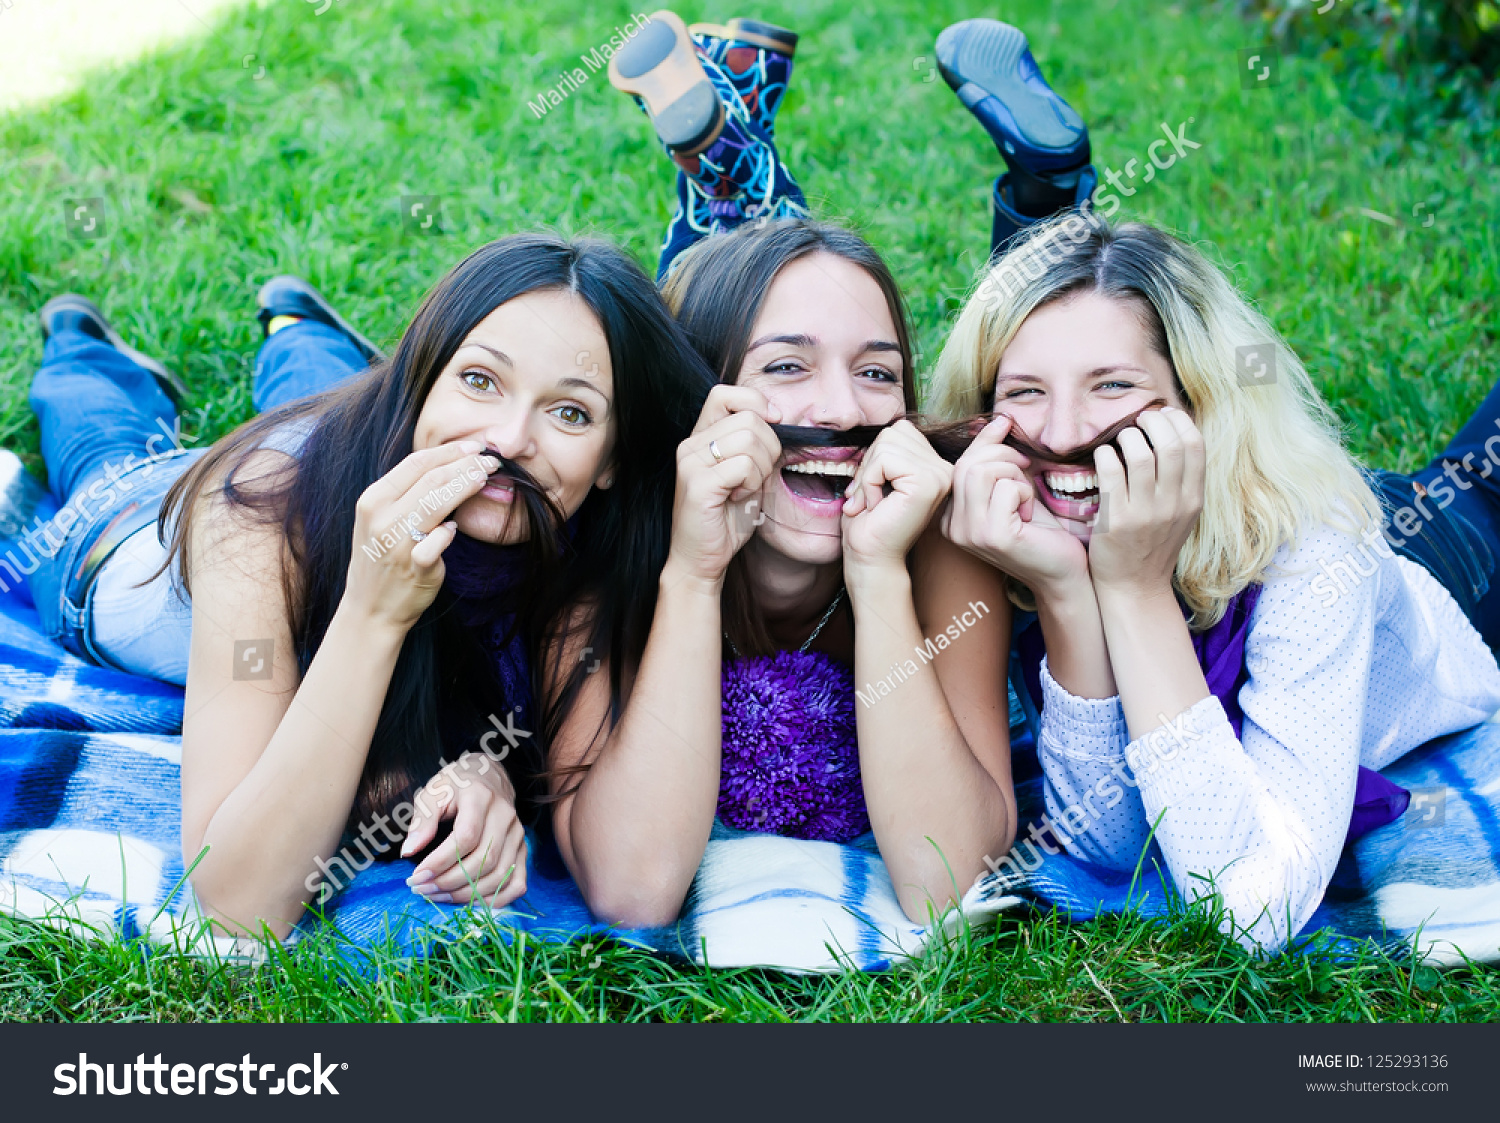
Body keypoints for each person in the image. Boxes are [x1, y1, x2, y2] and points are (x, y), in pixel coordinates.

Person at [923, 22, 1500, 952]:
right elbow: (1113, 841)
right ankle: (1050, 207)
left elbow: (1251, 914)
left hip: (1431, 557)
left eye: (1116, 387)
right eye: (1021, 391)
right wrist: (1078, 590)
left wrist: (1137, 587)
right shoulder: (1026, 514)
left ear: (1201, 402)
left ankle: (1051, 207)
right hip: (1197, 518)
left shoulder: (1320, 558)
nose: (1062, 434)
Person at [22, 234, 711, 939]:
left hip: (342, 442)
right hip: (123, 530)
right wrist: (371, 612)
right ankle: (81, 345)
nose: (507, 439)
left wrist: (484, 771)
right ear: (422, 378)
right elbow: (237, 901)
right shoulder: (256, 528)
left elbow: (634, 882)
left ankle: (298, 326)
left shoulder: (584, 550)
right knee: (101, 438)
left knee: (321, 401)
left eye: (571, 412)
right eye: (479, 379)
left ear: (611, 459)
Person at [542, 12, 1015, 929]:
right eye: (786, 365)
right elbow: (633, 889)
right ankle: (300, 332)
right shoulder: (599, 552)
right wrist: (692, 573)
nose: (842, 408)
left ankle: (732, 166)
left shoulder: (940, 546)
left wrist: (878, 577)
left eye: (878, 371)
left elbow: (946, 882)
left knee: (766, 291)